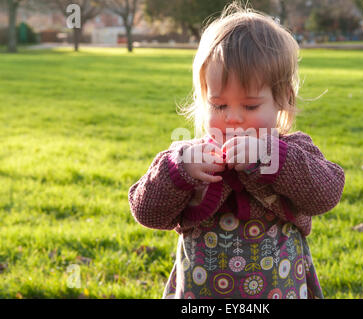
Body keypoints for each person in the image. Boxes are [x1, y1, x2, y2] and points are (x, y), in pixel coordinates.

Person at [128, 2, 345, 299]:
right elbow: (147, 213)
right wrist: (179, 171)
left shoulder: (292, 152)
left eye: (250, 105)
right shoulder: (191, 158)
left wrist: (270, 156)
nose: (233, 117)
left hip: (280, 289)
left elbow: (326, 194)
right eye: (219, 105)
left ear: (282, 98)